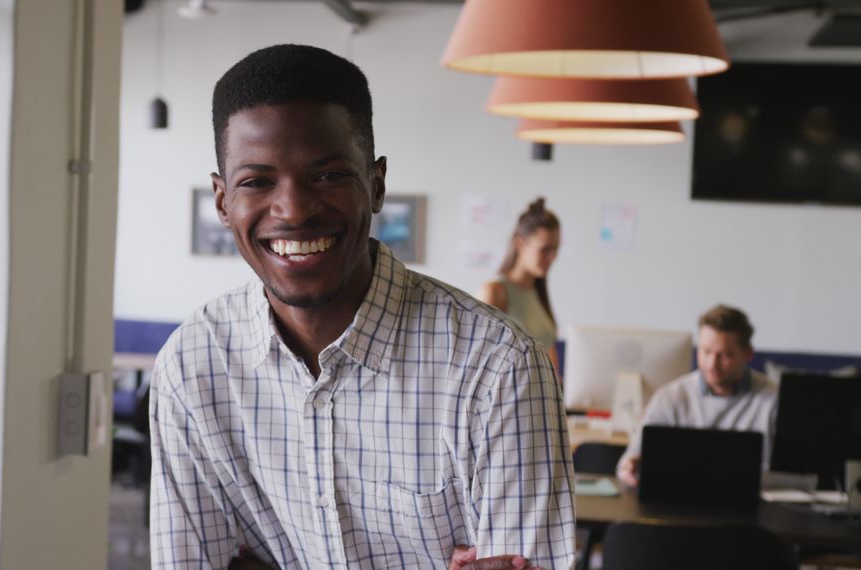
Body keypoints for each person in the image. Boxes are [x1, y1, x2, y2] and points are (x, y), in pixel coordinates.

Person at [149, 44, 575, 570]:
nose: (294, 210)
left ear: (375, 184)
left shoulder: (497, 367)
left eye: (326, 175)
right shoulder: (192, 365)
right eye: (257, 181)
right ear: (221, 201)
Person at [615, 304, 778, 488]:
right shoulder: (670, 398)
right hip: (679, 501)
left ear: (748, 354)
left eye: (725, 355)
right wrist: (629, 468)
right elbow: (629, 460)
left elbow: (795, 477)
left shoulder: (774, 399)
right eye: (706, 351)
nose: (712, 364)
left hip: (752, 505)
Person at [478, 200, 562, 371]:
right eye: (545, 249)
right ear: (520, 242)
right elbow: (480, 360)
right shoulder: (495, 291)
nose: (552, 257)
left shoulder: (537, 293)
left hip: (543, 394)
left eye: (555, 249)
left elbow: (549, 353)